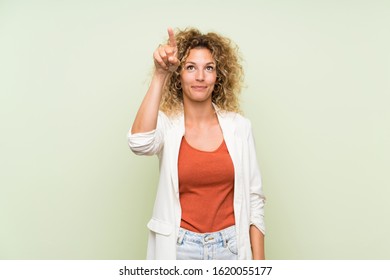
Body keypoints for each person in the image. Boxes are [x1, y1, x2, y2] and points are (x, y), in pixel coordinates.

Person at [128, 27, 265, 260]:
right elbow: (139, 143)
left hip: (231, 248)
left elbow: (255, 199)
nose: (200, 77)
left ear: (217, 75)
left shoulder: (239, 127)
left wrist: (260, 265)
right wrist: (160, 74)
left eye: (208, 68)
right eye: (191, 67)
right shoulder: (167, 126)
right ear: (179, 75)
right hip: (180, 248)